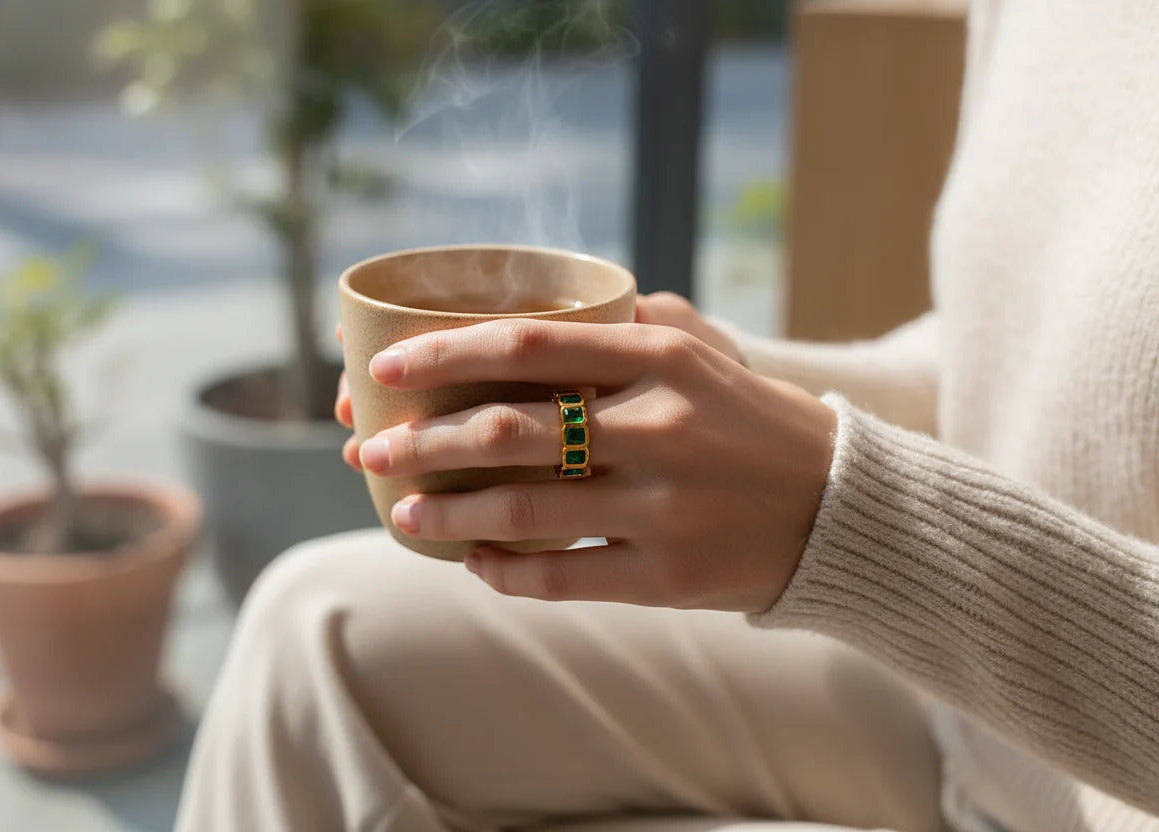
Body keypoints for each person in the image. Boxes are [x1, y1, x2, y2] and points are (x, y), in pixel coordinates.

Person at [174, 1, 1159, 830]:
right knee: (317, 630)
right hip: (972, 700)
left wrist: (850, 520)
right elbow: (1015, 362)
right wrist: (716, 378)